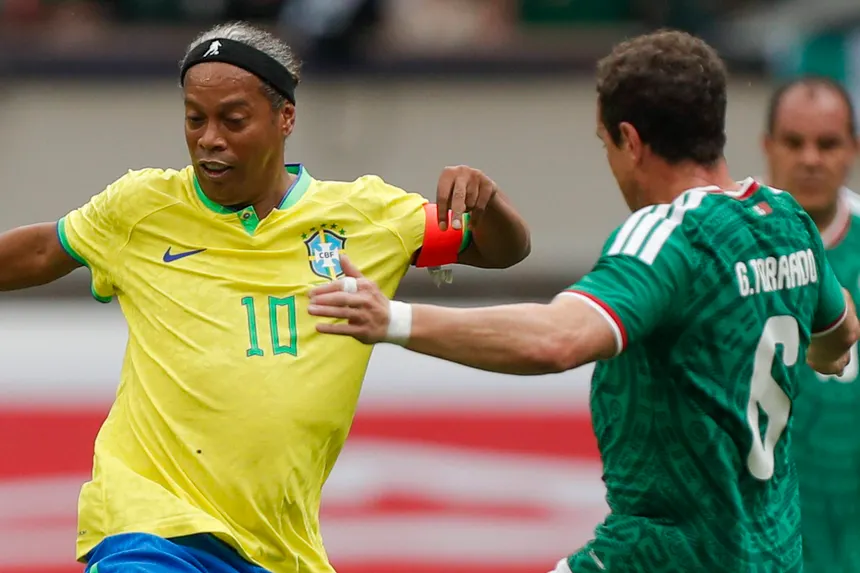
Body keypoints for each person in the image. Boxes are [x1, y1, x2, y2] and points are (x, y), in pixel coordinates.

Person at [308, 30, 860, 572]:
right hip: (775, 555)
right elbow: (839, 329)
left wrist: (394, 318)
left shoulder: (668, 238)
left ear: (631, 140)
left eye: (605, 145)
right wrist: (822, 352)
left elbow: (558, 338)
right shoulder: (787, 221)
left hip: (661, 555)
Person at [0, 21, 532, 573]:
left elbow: (503, 250)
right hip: (150, 527)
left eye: (233, 119)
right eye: (194, 118)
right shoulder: (140, 208)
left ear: (285, 118)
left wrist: (487, 203)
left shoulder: (368, 216)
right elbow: (43, 251)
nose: (210, 137)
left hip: (280, 549)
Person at [763, 76, 860, 573]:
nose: (810, 159)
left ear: (853, 150)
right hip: (761, 542)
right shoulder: (726, 245)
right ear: (767, 147)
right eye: (794, 142)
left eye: (827, 143)